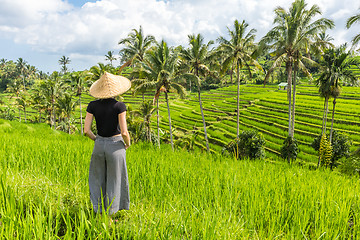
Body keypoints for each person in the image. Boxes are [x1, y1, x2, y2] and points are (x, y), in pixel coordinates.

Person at [84, 71, 131, 215]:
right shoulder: (119, 106)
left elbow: (86, 130)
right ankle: (110, 216)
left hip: (99, 144)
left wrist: (97, 140)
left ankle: (98, 212)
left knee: (97, 179)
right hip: (116, 145)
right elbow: (124, 132)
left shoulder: (92, 105)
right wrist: (127, 143)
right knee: (115, 179)